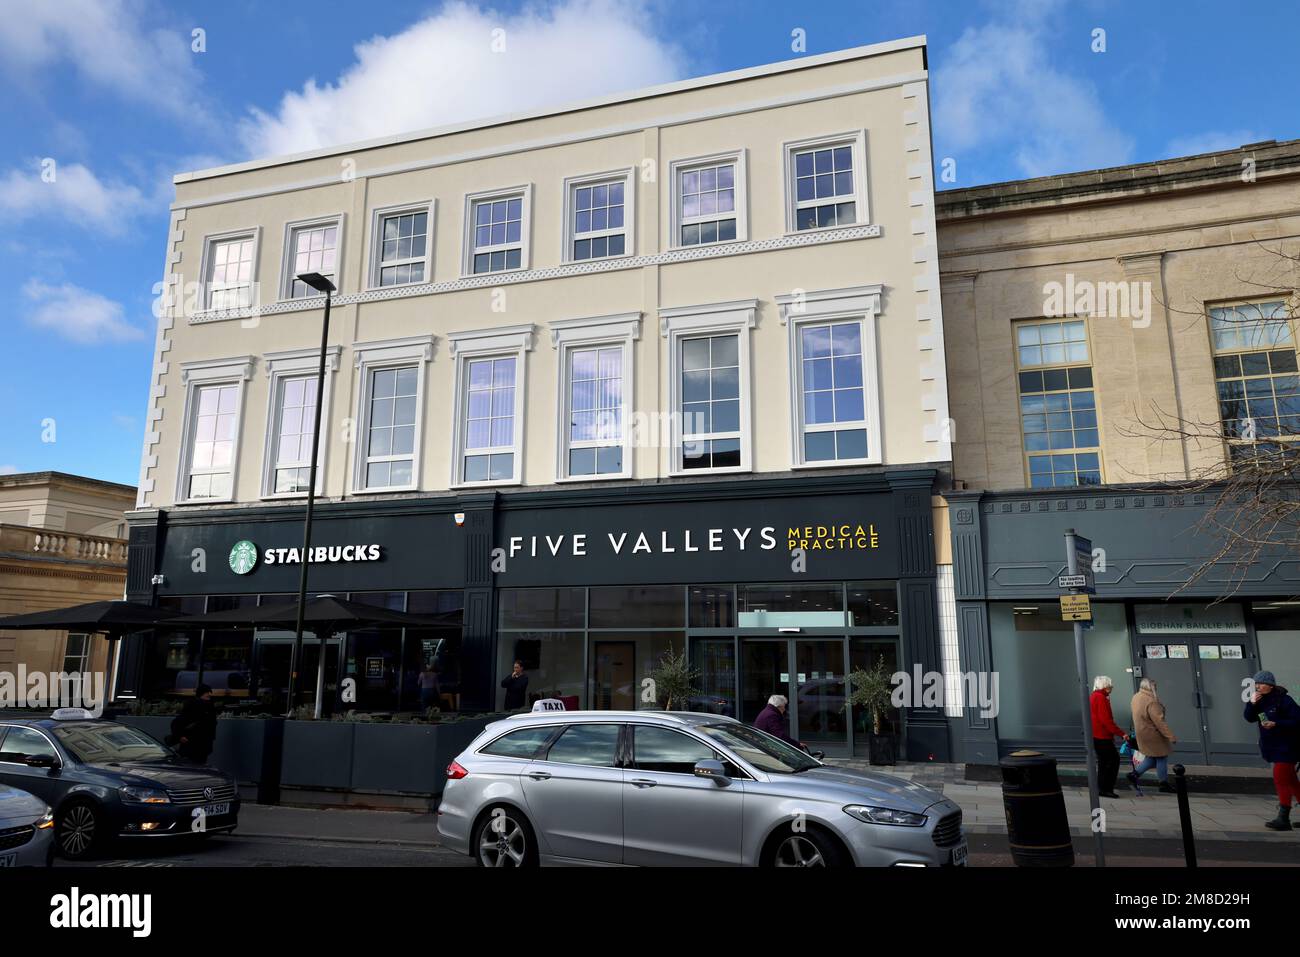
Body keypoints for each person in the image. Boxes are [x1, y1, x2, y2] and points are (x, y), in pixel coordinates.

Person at [1243, 670, 1300, 831]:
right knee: (1291, 781)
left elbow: (1297, 720)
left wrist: (1277, 723)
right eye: (1256, 684)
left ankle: (1283, 818)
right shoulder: (1259, 700)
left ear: (1270, 685)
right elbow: (1248, 718)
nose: (1257, 687)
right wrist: (1251, 704)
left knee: (1280, 778)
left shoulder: (1284, 700)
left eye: (1260, 684)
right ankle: (1284, 817)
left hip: (1288, 746)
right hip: (1272, 746)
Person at [1127, 677, 1177, 793]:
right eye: (1154, 686)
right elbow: (1159, 721)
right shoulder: (1151, 701)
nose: (1156, 688)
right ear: (1150, 687)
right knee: (1161, 757)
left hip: (1142, 733)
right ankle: (1163, 784)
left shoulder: (1136, 697)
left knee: (1151, 757)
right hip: (1153, 734)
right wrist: (1171, 736)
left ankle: (1134, 774)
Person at [1090, 676, 1130, 798]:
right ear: (1105, 686)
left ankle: (1102, 788)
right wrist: (1121, 733)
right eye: (1110, 685)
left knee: (1104, 762)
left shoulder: (1094, 696)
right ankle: (1106, 789)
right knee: (1112, 761)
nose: (1112, 687)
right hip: (1102, 736)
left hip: (1096, 735)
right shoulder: (1101, 698)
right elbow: (1106, 720)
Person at [169, 683, 218, 764]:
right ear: (201, 693)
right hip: (191, 743)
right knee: (190, 765)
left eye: (209, 692)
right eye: (207, 692)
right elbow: (177, 722)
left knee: (199, 764)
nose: (209, 694)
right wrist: (180, 736)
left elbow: (211, 724)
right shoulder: (192, 705)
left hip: (203, 744)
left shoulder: (210, 707)